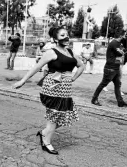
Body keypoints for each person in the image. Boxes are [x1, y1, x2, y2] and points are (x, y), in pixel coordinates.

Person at [12, 26, 85, 155]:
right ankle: (46, 142)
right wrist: (23, 80)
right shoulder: (51, 52)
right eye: (62, 35)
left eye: (67, 34)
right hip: (52, 88)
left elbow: (81, 65)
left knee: (66, 117)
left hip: (66, 90)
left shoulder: (70, 52)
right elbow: (37, 67)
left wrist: (72, 78)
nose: (66, 37)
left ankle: (44, 132)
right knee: (54, 117)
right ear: (55, 39)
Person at [91, 30, 127, 107]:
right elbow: (121, 53)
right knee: (103, 84)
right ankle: (94, 99)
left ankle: (120, 102)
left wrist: (125, 50)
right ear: (121, 36)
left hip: (116, 67)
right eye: (124, 35)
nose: (125, 37)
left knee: (118, 84)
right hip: (110, 69)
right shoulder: (114, 43)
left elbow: (124, 51)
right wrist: (124, 51)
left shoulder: (119, 43)